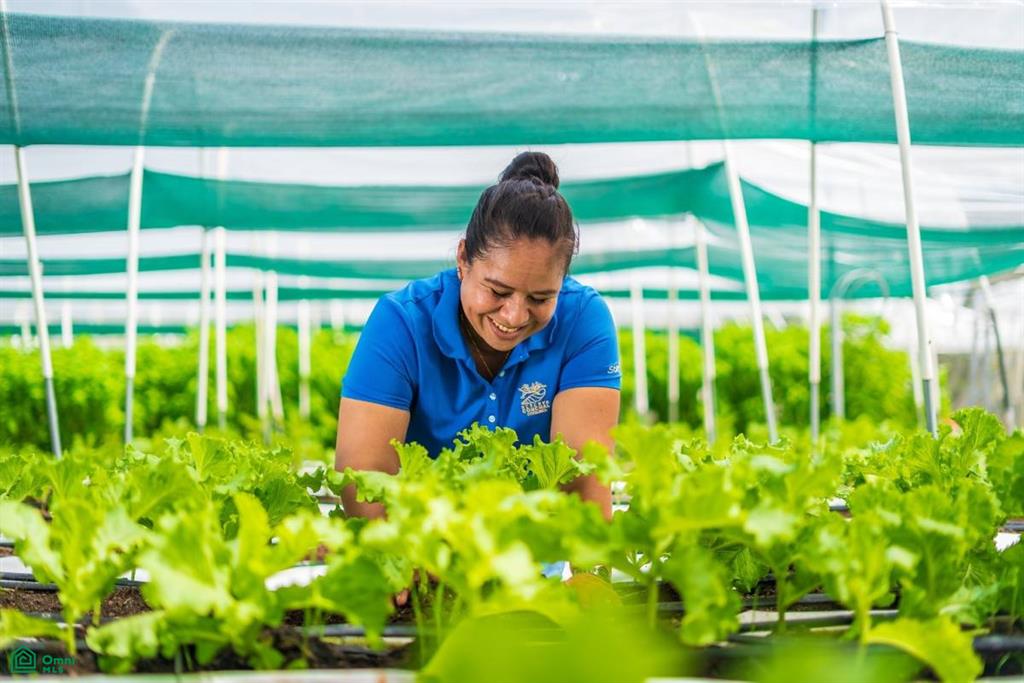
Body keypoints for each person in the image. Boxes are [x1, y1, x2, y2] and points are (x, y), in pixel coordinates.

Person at [335, 151, 621, 522]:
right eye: (498, 292)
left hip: (530, 557)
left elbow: (585, 488)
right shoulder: (401, 322)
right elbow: (364, 484)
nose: (514, 315)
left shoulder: (583, 319)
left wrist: (585, 576)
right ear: (463, 258)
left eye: (541, 298)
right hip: (418, 554)